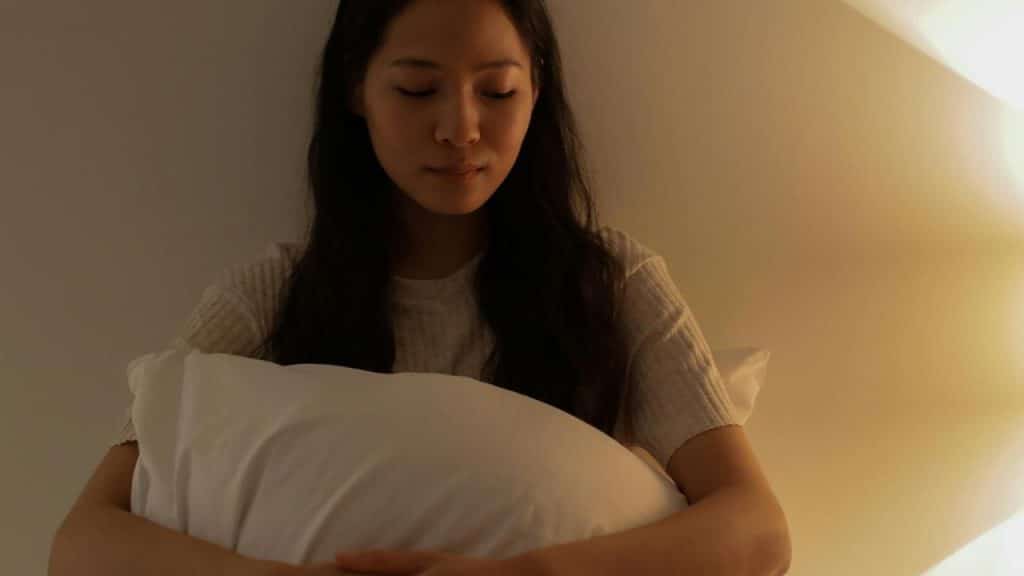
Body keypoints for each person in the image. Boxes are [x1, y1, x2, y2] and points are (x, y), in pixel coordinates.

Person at [49, 1, 791, 575]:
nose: (461, 129)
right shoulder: (275, 291)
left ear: (536, 88)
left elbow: (758, 531)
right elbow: (83, 543)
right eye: (416, 89)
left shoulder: (611, 283)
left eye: (497, 92)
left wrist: (527, 574)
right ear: (356, 90)